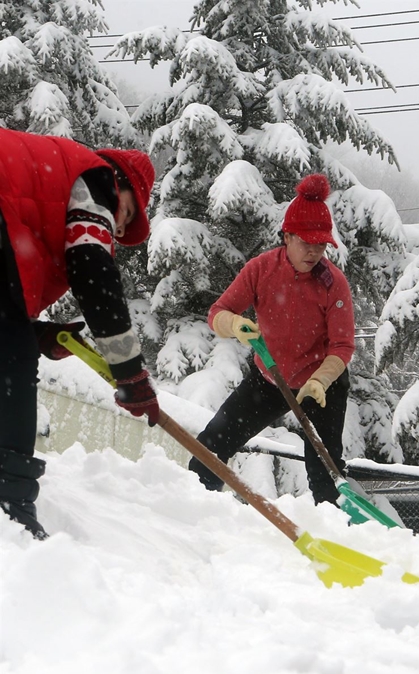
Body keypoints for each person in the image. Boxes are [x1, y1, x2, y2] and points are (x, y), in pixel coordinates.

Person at [0, 127, 160, 539]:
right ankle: (9, 502)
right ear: (120, 186)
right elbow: (92, 269)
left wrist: (36, 332)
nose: (118, 229)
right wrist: (130, 372)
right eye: (127, 214)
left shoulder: (47, 182)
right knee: (15, 366)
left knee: (15, 345)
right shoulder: (97, 180)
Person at [189, 174, 355, 505]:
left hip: (322, 386)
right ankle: (196, 511)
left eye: (320, 244)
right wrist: (235, 323)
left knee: (325, 474)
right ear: (287, 236)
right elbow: (218, 313)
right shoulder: (261, 269)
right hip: (270, 377)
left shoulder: (332, 282)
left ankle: (332, 534)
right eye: (305, 242)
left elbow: (342, 346)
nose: (313, 252)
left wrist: (320, 381)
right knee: (211, 447)